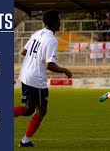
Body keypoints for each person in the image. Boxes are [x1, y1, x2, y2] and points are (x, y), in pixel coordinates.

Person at [14, 10, 72, 147]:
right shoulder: (51, 40)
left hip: (25, 75)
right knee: (41, 111)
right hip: (36, 79)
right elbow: (49, 65)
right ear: (55, 23)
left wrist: (35, 57)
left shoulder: (37, 33)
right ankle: (25, 141)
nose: (60, 22)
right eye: (59, 20)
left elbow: (23, 52)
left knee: (29, 110)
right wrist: (66, 71)